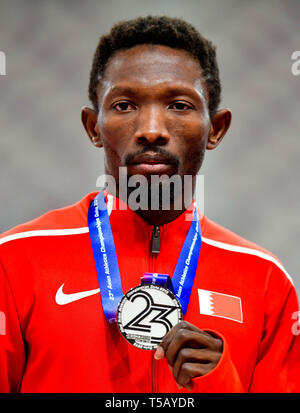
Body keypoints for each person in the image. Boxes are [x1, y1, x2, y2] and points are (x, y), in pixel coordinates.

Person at [0, 15, 299, 393]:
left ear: (216, 129)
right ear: (93, 127)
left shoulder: (266, 280)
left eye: (179, 105)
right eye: (125, 105)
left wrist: (220, 383)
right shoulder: (15, 260)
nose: (152, 129)